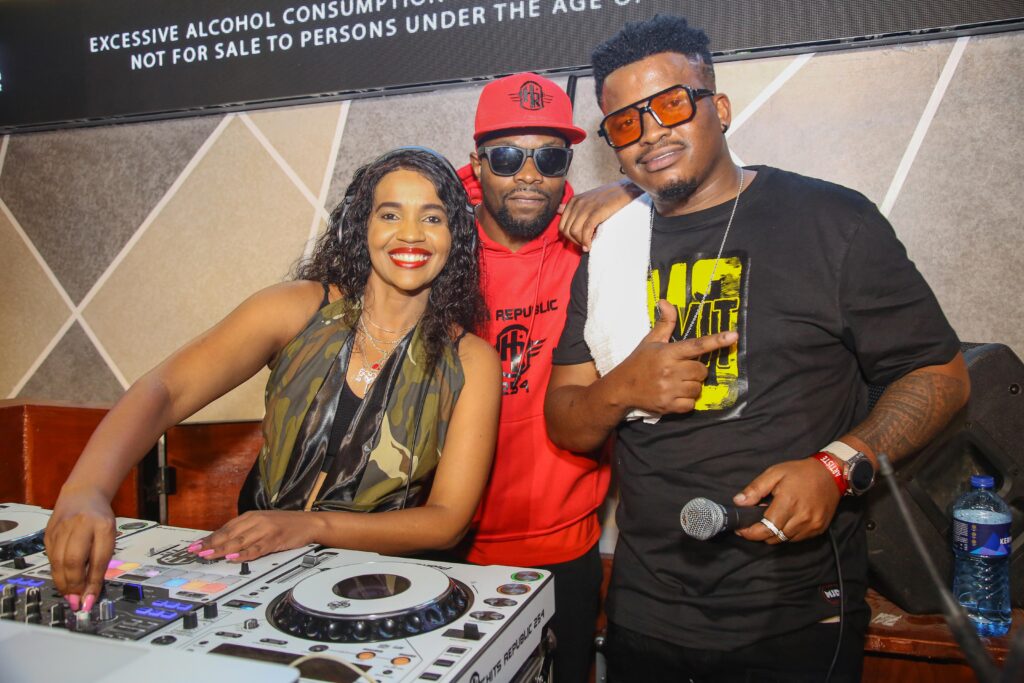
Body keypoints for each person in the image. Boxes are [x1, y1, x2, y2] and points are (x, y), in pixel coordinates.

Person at [545, 15, 970, 682]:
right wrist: (622, 388)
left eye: (670, 105)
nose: (650, 132)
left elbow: (941, 375)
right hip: (646, 611)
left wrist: (837, 466)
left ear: (719, 108)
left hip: (797, 616)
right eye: (625, 122)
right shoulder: (610, 251)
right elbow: (565, 421)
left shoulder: (831, 221)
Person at [44, 148, 501, 616]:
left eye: (432, 217)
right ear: (361, 225)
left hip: (382, 592)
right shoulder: (295, 309)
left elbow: (446, 521)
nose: (410, 233)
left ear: (455, 235)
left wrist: (310, 527)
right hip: (250, 572)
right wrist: (87, 490)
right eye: (390, 214)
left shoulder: (472, 362)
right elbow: (166, 390)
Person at [451, 73, 611, 683]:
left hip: (566, 547)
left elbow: (695, 188)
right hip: (450, 538)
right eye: (506, 157)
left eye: (548, 158)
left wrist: (626, 189)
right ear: (478, 163)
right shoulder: (438, 247)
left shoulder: (596, 243)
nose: (527, 174)